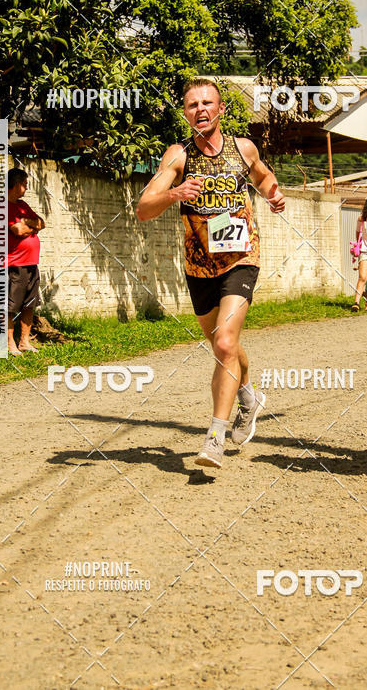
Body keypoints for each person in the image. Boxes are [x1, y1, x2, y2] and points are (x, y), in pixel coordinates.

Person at [136, 78, 285, 468]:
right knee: (224, 346)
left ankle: (215, 437)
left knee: (223, 344)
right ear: (185, 113)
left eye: (207, 103)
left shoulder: (243, 148)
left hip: (241, 258)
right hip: (199, 266)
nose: (200, 109)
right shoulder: (178, 155)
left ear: (220, 110)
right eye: (191, 105)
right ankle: (249, 397)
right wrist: (174, 194)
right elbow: (143, 207)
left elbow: (264, 176)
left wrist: (274, 194)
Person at [7, 168, 46, 356]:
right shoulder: (2, 206)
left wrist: (28, 223)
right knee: (11, 306)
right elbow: (18, 231)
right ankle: (9, 344)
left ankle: (24, 342)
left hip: (31, 263)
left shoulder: (23, 205)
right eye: (24, 183)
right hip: (15, 264)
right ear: (15, 184)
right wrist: (32, 228)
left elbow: (41, 223)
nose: (27, 187)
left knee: (29, 304)